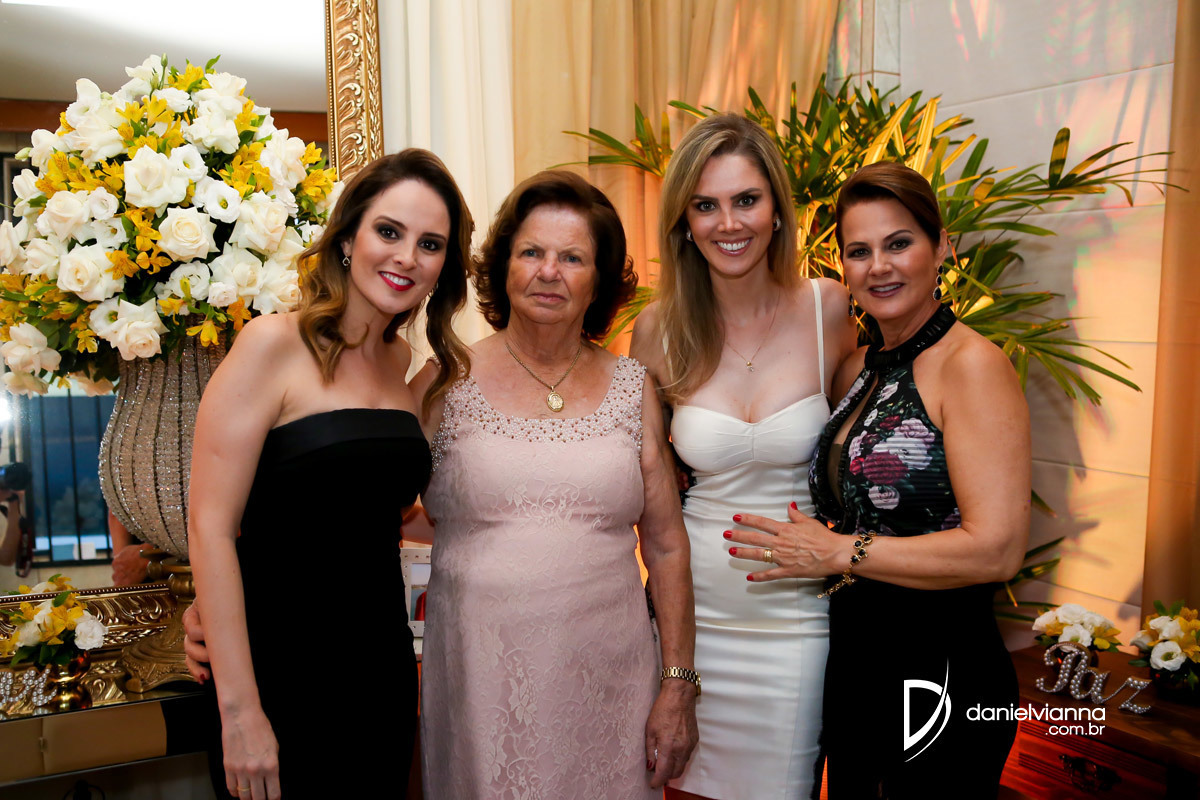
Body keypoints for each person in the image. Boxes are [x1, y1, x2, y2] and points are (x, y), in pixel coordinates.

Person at [727, 161, 1030, 798]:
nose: (879, 267)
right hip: (857, 660)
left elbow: (997, 549)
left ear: (941, 247)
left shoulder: (972, 365)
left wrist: (841, 552)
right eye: (859, 251)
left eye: (899, 243)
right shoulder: (858, 367)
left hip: (941, 670)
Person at [187, 149, 472, 800]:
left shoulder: (402, 366)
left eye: (430, 244)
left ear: (442, 268)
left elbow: (374, 511)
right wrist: (240, 712)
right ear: (347, 238)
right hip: (276, 675)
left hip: (378, 671)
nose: (407, 257)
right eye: (389, 231)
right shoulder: (271, 344)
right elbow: (210, 527)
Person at [413, 169, 698, 799]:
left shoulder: (634, 388)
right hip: (481, 687)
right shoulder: (444, 381)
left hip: (611, 686)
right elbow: (374, 507)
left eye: (572, 258)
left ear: (599, 279)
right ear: (503, 267)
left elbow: (666, 546)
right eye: (531, 253)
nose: (549, 272)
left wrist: (678, 683)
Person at [630, 113, 857, 799]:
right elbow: (644, 486)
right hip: (690, 626)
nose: (728, 223)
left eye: (746, 200)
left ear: (777, 211)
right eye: (705, 205)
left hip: (798, 623)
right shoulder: (657, 330)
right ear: (684, 223)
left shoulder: (828, 309)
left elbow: (860, 452)